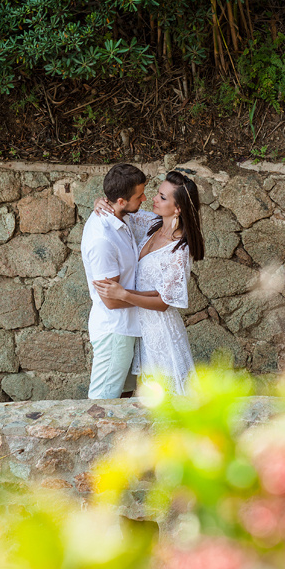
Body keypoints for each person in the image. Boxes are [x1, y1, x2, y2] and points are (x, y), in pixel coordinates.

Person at [93, 170, 205, 395]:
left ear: (178, 208)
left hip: (161, 333)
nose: (153, 198)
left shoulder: (180, 250)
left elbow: (164, 301)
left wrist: (124, 295)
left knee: (165, 402)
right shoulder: (151, 223)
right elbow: (123, 211)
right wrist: (102, 202)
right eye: (158, 193)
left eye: (162, 197)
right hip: (139, 326)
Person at [81, 163, 147, 399]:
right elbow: (111, 300)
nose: (144, 198)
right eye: (139, 196)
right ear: (121, 200)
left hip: (127, 329)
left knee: (125, 396)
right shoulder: (103, 239)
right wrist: (153, 301)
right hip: (114, 332)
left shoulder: (121, 216)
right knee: (103, 401)